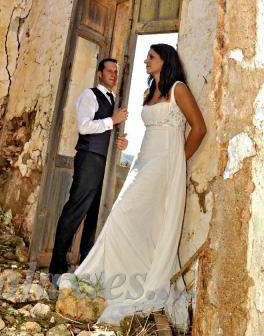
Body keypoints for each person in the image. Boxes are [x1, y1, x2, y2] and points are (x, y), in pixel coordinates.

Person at [60, 44, 207, 330]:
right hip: (143, 160)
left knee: (125, 215)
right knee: (126, 218)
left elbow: (199, 129)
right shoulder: (147, 92)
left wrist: (177, 161)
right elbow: (148, 131)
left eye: (150, 57)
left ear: (165, 60)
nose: (145, 60)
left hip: (164, 164)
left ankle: (137, 286)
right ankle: (121, 281)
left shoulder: (178, 89)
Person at [49, 58, 129, 277]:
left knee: (93, 215)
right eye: (109, 71)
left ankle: (85, 267)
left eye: (116, 71)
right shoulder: (89, 95)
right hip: (88, 159)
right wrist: (112, 121)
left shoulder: (112, 100)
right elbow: (85, 128)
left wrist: (120, 141)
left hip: (103, 161)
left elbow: (106, 131)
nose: (113, 74)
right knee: (75, 210)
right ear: (100, 74)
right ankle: (56, 268)